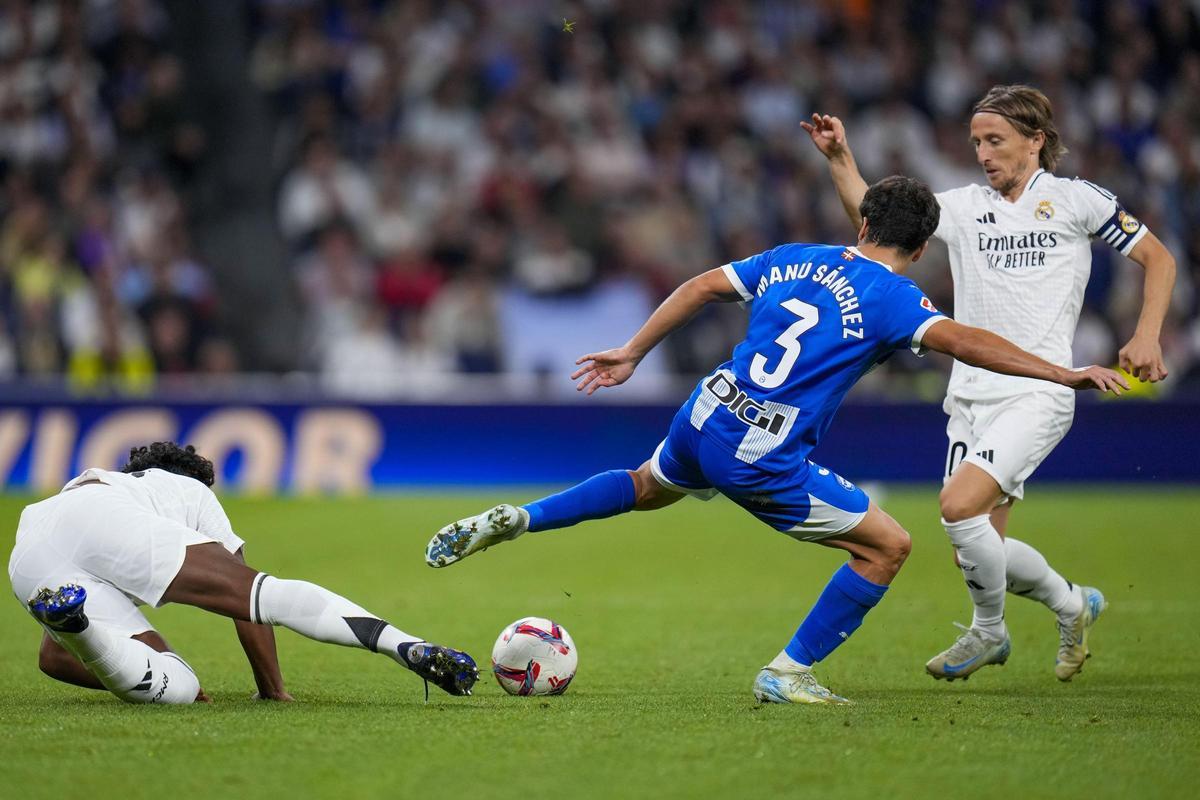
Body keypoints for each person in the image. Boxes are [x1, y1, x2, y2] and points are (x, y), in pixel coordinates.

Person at [424, 176, 1128, 705]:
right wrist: (1061, 372)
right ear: (917, 249)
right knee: (888, 546)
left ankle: (522, 517)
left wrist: (634, 351)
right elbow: (968, 343)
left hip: (706, 409)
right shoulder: (893, 296)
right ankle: (789, 672)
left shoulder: (796, 256)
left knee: (645, 486)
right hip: (759, 449)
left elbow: (701, 285)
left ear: (861, 221)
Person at [801, 85, 1176, 682]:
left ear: (1036, 141)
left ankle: (989, 632)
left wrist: (1148, 333)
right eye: (976, 141)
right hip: (970, 395)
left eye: (995, 140)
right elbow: (877, 225)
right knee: (973, 547)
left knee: (957, 506)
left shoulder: (1075, 200)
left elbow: (1159, 257)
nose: (983, 153)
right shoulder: (964, 206)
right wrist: (839, 159)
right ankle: (1073, 604)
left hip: (1040, 388)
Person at [10, 442, 478, 705]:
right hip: (101, 521)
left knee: (181, 686)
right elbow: (247, 603)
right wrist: (271, 689)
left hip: (28, 551)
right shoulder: (181, 488)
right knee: (262, 593)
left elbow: (53, 660)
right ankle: (403, 645)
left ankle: (83, 630)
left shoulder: (93, 490)